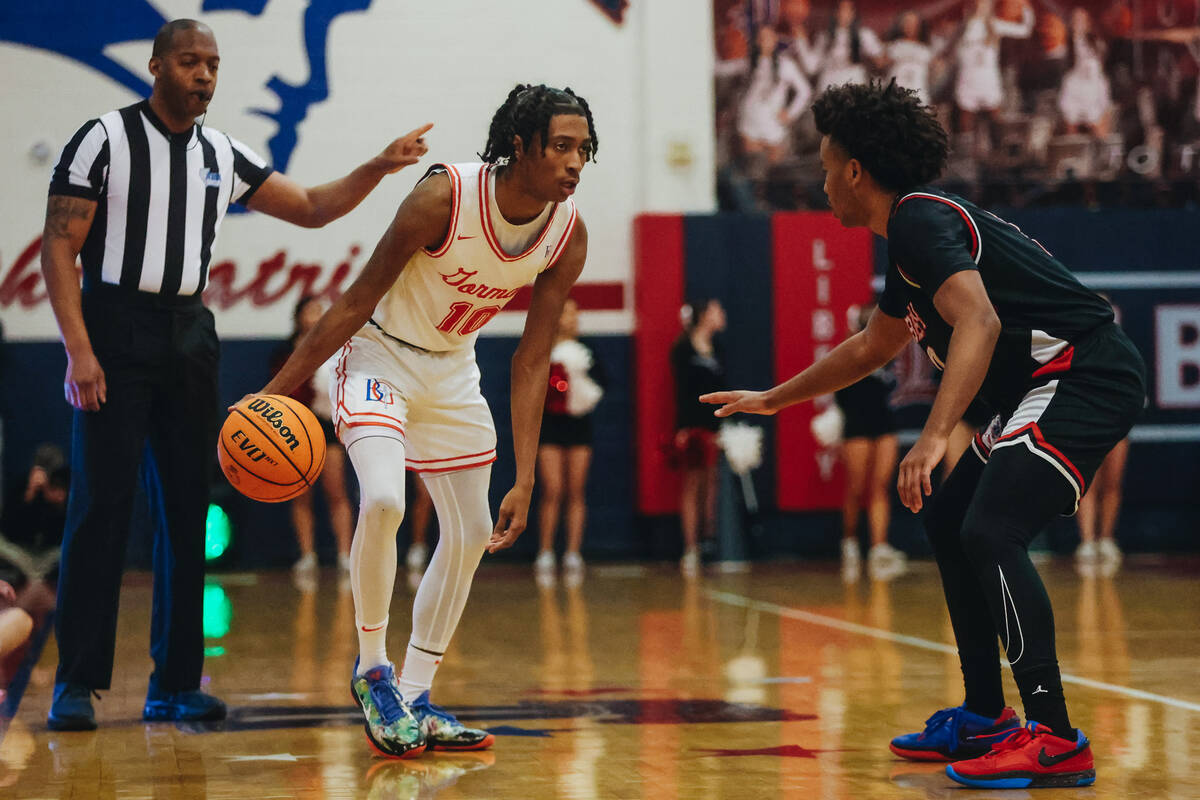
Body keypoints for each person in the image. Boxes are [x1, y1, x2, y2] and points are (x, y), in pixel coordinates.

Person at [703, 80, 1143, 789]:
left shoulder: (917, 220)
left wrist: (935, 436)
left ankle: (1056, 737)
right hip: (1042, 382)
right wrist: (774, 400)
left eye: (824, 168)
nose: (821, 183)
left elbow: (980, 321)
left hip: (1082, 372)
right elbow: (870, 348)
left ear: (855, 172)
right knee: (950, 519)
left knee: (991, 528)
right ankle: (986, 715)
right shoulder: (910, 240)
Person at [39, 18, 431, 731]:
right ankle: (77, 682)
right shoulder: (103, 138)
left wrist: (376, 167)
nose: (205, 75)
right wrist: (79, 349)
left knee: (188, 510)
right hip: (114, 328)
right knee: (101, 507)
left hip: (189, 332)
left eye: (213, 64)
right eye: (190, 61)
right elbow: (59, 247)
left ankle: (175, 683)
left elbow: (311, 208)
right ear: (158, 66)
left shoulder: (221, 152)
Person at [254, 83, 594, 758]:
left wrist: (525, 475)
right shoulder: (444, 198)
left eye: (583, 149)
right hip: (379, 352)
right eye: (560, 146)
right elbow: (352, 302)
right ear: (520, 145)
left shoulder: (567, 232)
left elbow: (532, 360)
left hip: (454, 370)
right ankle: (372, 671)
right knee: (382, 499)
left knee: (470, 531)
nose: (574, 162)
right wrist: (274, 394)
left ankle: (415, 694)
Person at [272, 296, 355, 576]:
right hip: (296, 428)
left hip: (327, 424)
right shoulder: (285, 352)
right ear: (298, 316)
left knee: (337, 492)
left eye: (321, 311)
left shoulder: (337, 347)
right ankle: (307, 555)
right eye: (311, 310)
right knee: (301, 496)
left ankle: (345, 554)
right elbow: (280, 394)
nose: (316, 316)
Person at [534, 298, 605, 585]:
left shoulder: (587, 351)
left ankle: (573, 552)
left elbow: (601, 386)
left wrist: (581, 392)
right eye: (566, 313)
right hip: (549, 426)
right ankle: (546, 550)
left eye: (576, 313)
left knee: (576, 489)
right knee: (553, 489)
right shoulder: (543, 349)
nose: (572, 319)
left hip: (578, 427)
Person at [833, 304, 905, 580]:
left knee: (880, 486)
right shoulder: (847, 352)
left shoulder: (887, 350)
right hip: (856, 426)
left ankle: (878, 547)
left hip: (884, 423)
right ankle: (849, 542)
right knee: (855, 486)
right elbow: (837, 392)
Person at [670, 299, 727, 577]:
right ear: (704, 315)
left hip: (714, 428)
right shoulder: (682, 349)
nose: (721, 315)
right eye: (717, 310)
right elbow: (682, 392)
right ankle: (690, 548)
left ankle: (708, 543)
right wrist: (682, 429)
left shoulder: (719, 349)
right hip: (692, 427)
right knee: (691, 485)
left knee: (710, 485)